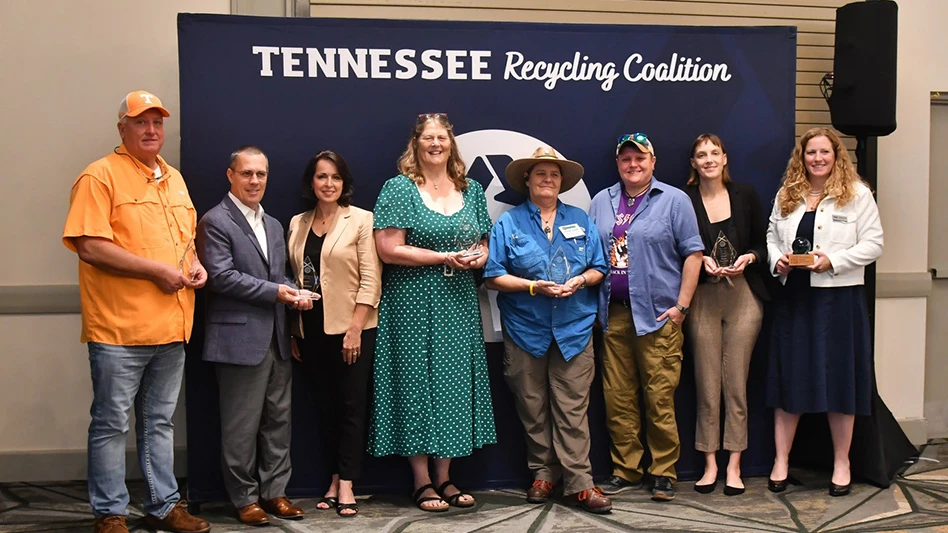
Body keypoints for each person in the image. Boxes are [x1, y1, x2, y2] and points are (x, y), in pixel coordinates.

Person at [62, 90, 210, 533]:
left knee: (159, 423)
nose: (151, 130)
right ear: (122, 128)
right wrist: (155, 273)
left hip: (172, 325)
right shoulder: (99, 176)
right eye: (141, 122)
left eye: (157, 122)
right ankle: (109, 513)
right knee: (110, 423)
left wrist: (195, 265)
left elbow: (185, 243)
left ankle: (164, 506)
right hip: (118, 330)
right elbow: (89, 246)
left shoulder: (175, 179)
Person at [368, 113, 496, 512]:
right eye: (428, 138)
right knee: (415, 386)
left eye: (442, 137)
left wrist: (479, 258)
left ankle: (446, 478)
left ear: (451, 143)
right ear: (416, 144)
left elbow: (484, 240)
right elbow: (388, 248)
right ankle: (421, 482)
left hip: (457, 304)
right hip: (410, 304)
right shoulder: (399, 189)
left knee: (452, 387)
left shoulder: (471, 189)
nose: (436, 144)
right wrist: (441, 256)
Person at [484, 147, 611, 513]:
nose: (547, 179)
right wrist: (531, 287)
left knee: (573, 409)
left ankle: (580, 484)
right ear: (527, 180)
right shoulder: (508, 223)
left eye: (554, 175)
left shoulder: (580, 220)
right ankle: (543, 474)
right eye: (540, 173)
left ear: (562, 182)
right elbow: (493, 276)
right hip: (525, 330)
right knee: (532, 406)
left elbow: (599, 267)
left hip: (574, 328)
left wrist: (580, 281)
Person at [765, 127, 883, 497]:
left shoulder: (858, 194)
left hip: (838, 301)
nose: (817, 158)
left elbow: (874, 244)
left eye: (824, 152)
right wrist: (777, 262)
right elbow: (771, 235)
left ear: (836, 156)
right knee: (790, 380)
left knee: (840, 380)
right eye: (810, 153)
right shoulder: (788, 194)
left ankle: (842, 462)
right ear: (801, 158)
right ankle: (781, 461)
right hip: (794, 300)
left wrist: (833, 260)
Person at [196, 146, 310, 526]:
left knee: (279, 421)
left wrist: (295, 292)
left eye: (261, 174)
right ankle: (244, 498)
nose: (255, 181)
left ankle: (275, 492)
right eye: (247, 173)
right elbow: (221, 276)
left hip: (277, 337)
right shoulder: (215, 220)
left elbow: (276, 276)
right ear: (231, 176)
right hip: (238, 341)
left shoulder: (274, 224)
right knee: (240, 426)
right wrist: (277, 293)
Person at [589, 132, 704, 502]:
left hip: (657, 317)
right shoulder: (600, 202)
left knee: (659, 398)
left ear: (653, 162)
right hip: (614, 316)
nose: (633, 164)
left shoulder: (674, 200)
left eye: (640, 158)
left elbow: (694, 254)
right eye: (626, 159)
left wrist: (681, 308)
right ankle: (626, 469)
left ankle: (664, 472)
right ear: (618, 164)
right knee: (617, 398)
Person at [287, 150, 382, 518]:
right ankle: (332, 477)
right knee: (325, 410)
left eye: (335, 178)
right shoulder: (297, 222)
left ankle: (347, 484)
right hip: (310, 330)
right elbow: (294, 277)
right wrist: (294, 333)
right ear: (311, 182)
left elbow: (371, 280)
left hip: (351, 329)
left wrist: (355, 328)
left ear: (344, 184)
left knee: (351, 407)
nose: (328, 184)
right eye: (322, 177)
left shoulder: (360, 219)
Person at [683, 134, 769, 496]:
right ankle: (709, 463)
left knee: (736, 383)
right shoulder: (683, 200)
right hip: (702, 297)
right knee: (706, 383)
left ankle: (735, 465)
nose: (708, 159)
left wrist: (749, 257)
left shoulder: (745, 194)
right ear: (693, 163)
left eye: (714, 153)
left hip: (743, 297)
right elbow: (675, 244)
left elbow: (765, 241)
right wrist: (698, 258)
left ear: (725, 158)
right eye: (701, 154)